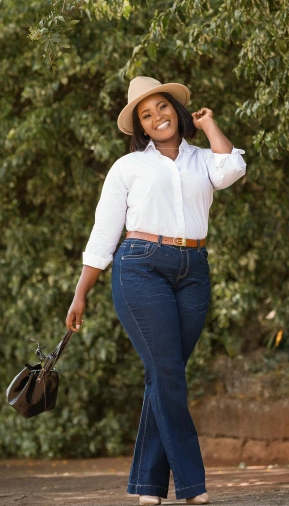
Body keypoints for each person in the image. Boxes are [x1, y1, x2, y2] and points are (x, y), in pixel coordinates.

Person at [66, 76, 247, 505]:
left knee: (164, 375)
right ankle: (192, 485)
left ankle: (148, 489)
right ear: (141, 128)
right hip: (140, 268)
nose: (157, 118)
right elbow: (104, 232)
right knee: (168, 374)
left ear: (177, 112)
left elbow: (233, 169)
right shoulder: (128, 167)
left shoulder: (202, 158)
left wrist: (211, 126)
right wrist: (81, 292)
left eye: (162, 108)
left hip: (193, 270)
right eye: (146, 115)